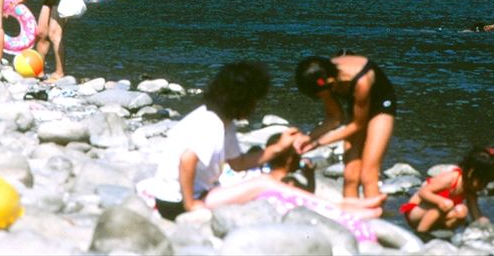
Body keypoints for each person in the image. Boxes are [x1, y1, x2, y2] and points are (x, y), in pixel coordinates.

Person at [141, 61, 385, 220]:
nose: (255, 106)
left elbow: (238, 163)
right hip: (176, 203)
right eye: (254, 100)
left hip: (183, 196)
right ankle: (342, 209)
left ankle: (344, 205)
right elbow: (187, 160)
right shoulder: (211, 124)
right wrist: (192, 203)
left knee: (264, 182)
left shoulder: (220, 120)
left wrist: (278, 148)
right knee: (264, 184)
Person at [293, 54, 397, 200]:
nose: (322, 97)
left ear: (330, 82)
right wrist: (308, 137)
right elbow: (335, 118)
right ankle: (349, 216)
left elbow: (357, 125)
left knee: (368, 174)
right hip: (356, 106)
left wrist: (318, 143)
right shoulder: (320, 77)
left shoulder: (361, 82)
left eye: (321, 95)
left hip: (380, 106)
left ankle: (373, 219)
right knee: (350, 174)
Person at [399, 146, 494, 233]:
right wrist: (440, 201)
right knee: (447, 205)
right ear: (470, 172)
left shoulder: (470, 191)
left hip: (435, 215)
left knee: (462, 211)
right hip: (416, 212)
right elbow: (423, 192)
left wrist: (486, 225)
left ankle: (440, 234)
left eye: (487, 183)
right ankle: (421, 233)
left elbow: (476, 214)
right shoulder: (451, 178)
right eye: (482, 181)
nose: (483, 186)